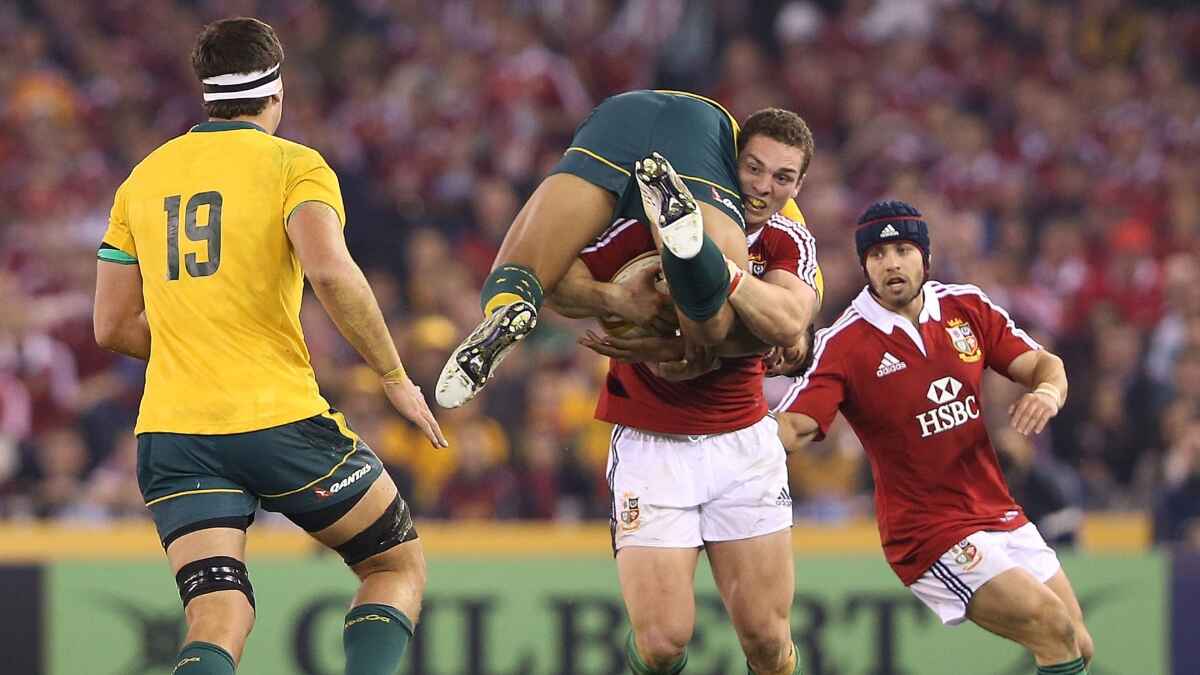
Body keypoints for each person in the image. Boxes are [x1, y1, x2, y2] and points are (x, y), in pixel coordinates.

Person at [93, 17, 446, 675]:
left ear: (206, 94)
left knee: (219, 615)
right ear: (276, 93)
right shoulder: (295, 166)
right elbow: (332, 272)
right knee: (394, 562)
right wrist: (395, 376)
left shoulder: (142, 178)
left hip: (173, 433)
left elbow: (110, 324)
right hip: (276, 420)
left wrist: (194, 343)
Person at [775, 200, 1095, 675]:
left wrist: (1047, 393)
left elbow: (1046, 366)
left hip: (996, 511)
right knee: (1051, 625)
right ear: (864, 265)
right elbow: (795, 425)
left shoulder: (966, 307)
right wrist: (733, 435)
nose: (891, 263)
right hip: (928, 532)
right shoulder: (844, 344)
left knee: (1077, 641)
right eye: (878, 254)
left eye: (903, 249)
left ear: (926, 256)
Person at [553, 109, 820, 675]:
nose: (763, 187)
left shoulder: (788, 239)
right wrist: (621, 302)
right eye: (753, 167)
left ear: (799, 185)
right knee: (662, 644)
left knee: (768, 642)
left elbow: (791, 322)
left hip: (742, 446)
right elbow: (558, 279)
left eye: (782, 177)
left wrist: (708, 266)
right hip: (653, 447)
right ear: (730, 163)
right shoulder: (640, 225)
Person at [436, 90, 780, 409]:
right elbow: (785, 325)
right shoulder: (782, 218)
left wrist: (615, 300)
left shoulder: (600, 254)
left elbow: (556, 287)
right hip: (699, 134)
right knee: (715, 320)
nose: (765, 188)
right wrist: (679, 338)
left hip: (616, 118)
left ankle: (507, 303)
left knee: (525, 273)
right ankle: (688, 244)